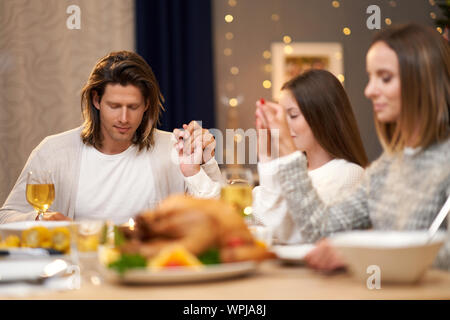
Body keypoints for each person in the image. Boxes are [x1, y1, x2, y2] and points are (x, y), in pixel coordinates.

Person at [255, 23, 450, 270]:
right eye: (371, 78)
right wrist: (287, 158)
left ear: (422, 81)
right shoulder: (384, 169)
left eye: (385, 78)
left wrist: (361, 253)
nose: (369, 91)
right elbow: (320, 230)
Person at [0, 51, 221, 224]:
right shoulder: (53, 151)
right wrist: (40, 219)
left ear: (146, 105)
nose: (124, 118)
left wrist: (205, 162)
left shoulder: (175, 150)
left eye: (133, 107)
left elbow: (223, 216)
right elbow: (6, 218)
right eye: (114, 106)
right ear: (96, 101)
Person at [253, 69, 368, 244]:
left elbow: (295, 231)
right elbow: (259, 213)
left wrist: (279, 156)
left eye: (292, 115)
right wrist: (266, 156)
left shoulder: (349, 173)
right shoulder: (293, 172)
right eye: (281, 116)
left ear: (322, 116)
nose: (283, 124)